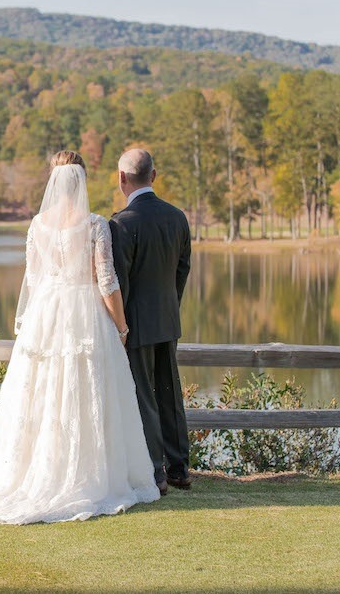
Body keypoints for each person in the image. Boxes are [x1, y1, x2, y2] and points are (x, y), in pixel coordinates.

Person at [0, 150, 160, 524]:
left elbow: (33, 280)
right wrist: (121, 327)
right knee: (84, 390)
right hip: (84, 314)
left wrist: (39, 318)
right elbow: (106, 282)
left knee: (43, 390)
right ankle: (84, 472)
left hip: (47, 314)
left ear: (53, 181)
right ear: (81, 180)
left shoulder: (38, 225)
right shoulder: (95, 224)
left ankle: (36, 468)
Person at [108, 147, 192, 493]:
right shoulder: (178, 217)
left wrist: (120, 326)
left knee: (144, 395)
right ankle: (180, 467)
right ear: (153, 176)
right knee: (170, 394)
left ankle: (155, 472)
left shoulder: (121, 223)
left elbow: (120, 282)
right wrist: (170, 305)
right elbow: (182, 269)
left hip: (137, 326)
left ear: (121, 178)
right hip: (168, 320)